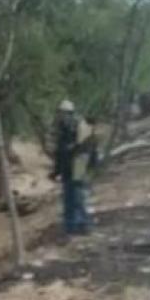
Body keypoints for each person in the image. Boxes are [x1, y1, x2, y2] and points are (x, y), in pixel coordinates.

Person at [51, 99, 98, 235]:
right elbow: (60, 152)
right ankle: (70, 227)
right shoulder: (62, 128)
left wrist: (73, 152)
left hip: (78, 164)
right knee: (68, 196)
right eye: (59, 113)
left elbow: (88, 148)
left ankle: (83, 224)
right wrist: (56, 171)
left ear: (69, 113)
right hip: (69, 166)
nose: (60, 116)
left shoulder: (79, 126)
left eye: (63, 113)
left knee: (77, 195)